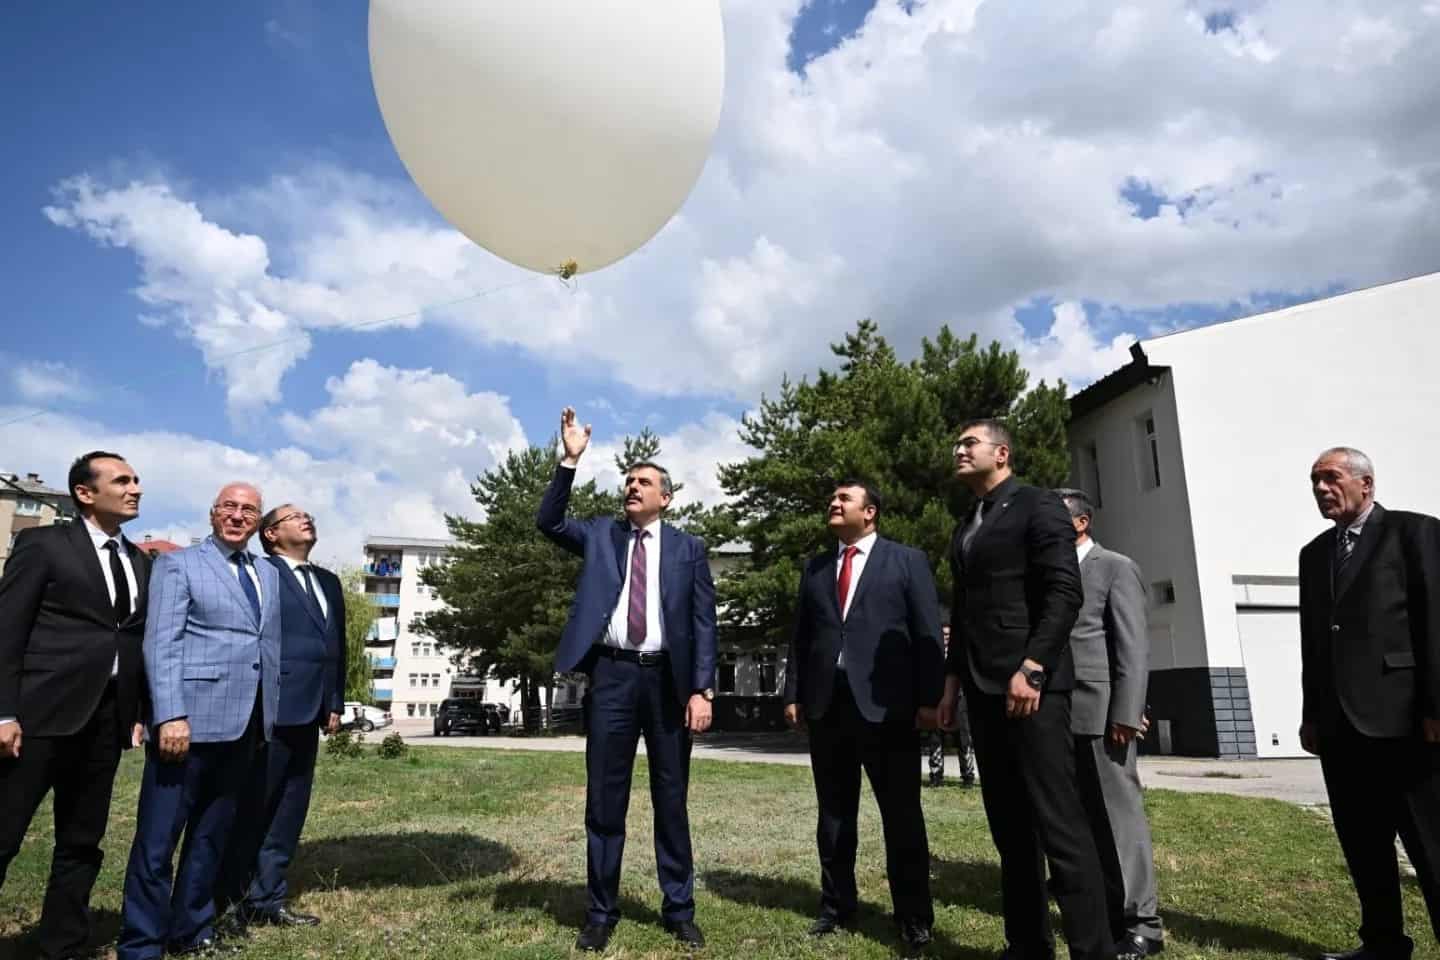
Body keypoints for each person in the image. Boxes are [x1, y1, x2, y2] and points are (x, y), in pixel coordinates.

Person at [537, 407, 717, 952]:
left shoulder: (690, 549)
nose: (632, 488)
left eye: (644, 482)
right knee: (604, 799)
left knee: (671, 797)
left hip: (667, 682)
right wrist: (570, 460)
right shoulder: (599, 536)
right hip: (612, 679)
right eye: (628, 481)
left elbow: (704, 623)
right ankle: (600, 910)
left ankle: (679, 908)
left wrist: (701, 688)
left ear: (666, 496)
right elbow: (548, 522)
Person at [938, 419, 1113, 960]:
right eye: (958, 444)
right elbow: (965, 612)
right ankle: (1027, 945)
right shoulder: (969, 520)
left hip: (1031, 687)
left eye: (970, 443)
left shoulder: (1038, 506)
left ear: (1002, 452)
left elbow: (1064, 592)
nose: (959, 450)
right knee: (1010, 828)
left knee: (1058, 821)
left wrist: (1033, 666)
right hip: (982, 689)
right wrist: (951, 686)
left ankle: (1092, 948)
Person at [117, 483, 282, 960]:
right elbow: (161, 643)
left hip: (244, 726)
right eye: (229, 506)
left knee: (211, 837)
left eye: (248, 509)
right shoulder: (178, 564)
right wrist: (169, 714)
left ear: (258, 521)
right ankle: (142, 942)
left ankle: (191, 930)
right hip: (186, 727)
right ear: (212, 514)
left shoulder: (265, 572)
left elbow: (264, 646)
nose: (238, 515)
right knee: (157, 842)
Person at [783, 479, 944, 951]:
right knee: (833, 815)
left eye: (844, 499)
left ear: (870, 512)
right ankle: (836, 906)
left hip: (888, 710)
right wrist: (793, 693)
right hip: (827, 707)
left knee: (902, 817)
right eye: (831, 499)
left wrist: (930, 700)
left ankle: (913, 916)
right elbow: (801, 638)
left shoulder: (906, 561)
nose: (833, 504)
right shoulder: (815, 569)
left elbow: (927, 633)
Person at [0, 452, 149, 960]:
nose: (135, 488)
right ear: (85, 493)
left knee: (82, 842)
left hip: (104, 721)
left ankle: (60, 945)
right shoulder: (42, 544)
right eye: (122, 480)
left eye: (136, 480)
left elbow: (133, 640)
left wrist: (137, 712)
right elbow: (7, 630)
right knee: (4, 835)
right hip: (37, 717)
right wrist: (3, 712)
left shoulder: (139, 560)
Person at [1299, 447, 1440, 960]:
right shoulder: (1314, 555)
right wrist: (1311, 713)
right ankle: (1382, 944)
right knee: (1364, 845)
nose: (1320, 489)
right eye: (1314, 481)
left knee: (1429, 844)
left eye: (1331, 478)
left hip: (1403, 723)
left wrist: (1434, 708)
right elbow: (1313, 641)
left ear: (1367, 483)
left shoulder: (1413, 533)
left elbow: (1434, 624)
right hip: (1339, 728)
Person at [218, 504, 345, 929]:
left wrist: (334, 700)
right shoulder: (260, 572)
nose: (307, 519)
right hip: (269, 706)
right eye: (294, 517)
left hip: (311, 711)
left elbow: (334, 646)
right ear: (270, 534)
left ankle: (267, 899)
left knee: (290, 809)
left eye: (309, 514)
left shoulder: (328, 581)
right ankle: (230, 899)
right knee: (254, 805)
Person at [1057, 488, 1163, 959]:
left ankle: (1143, 924)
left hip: (1104, 715)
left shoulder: (1114, 566)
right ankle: (1100, 908)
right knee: (1080, 820)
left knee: (1119, 819)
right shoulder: (1049, 575)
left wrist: (1126, 710)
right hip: (1057, 715)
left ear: (1082, 523)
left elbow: (1133, 646)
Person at [925, 623, 977, 788]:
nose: (946, 637)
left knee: (963, 740)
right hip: (936, 699)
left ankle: (968, 777)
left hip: (960, 700)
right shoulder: (933, 654)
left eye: (948, 634)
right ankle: (935, 776)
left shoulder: (959, 655)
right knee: (935, 739)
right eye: (943, 634)